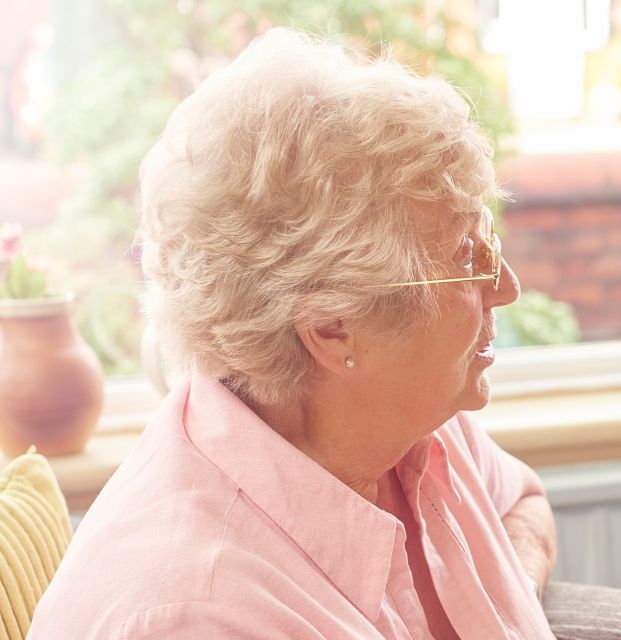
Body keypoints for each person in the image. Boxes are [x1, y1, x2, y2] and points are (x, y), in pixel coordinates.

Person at [29, 28, 555, 638]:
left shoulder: (406, 421)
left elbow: (522, 503)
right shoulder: (199, 614)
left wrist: (509, 600)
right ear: (333, 329)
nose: (506, 286)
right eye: (467, 259)